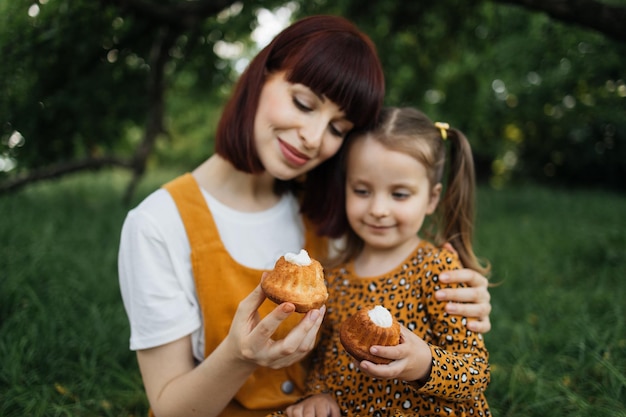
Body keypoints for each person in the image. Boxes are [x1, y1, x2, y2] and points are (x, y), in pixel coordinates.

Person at [117, 15, 492, 417]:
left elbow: (395, 281)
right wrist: (240, 356)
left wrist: (466, 298)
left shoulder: (331, 211)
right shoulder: (158, 225)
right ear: (259, 75)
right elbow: (169, 409)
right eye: (303, 103)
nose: (313, 139)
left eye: (337, 128)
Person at [278, 107, 491, 417]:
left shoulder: (440, 271)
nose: (378, 209)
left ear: (431, 199)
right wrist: (319, 394)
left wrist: (425, 363)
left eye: (400, 194)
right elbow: (324, 359)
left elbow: (476, 374)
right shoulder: (333, 277)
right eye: (362, 191)